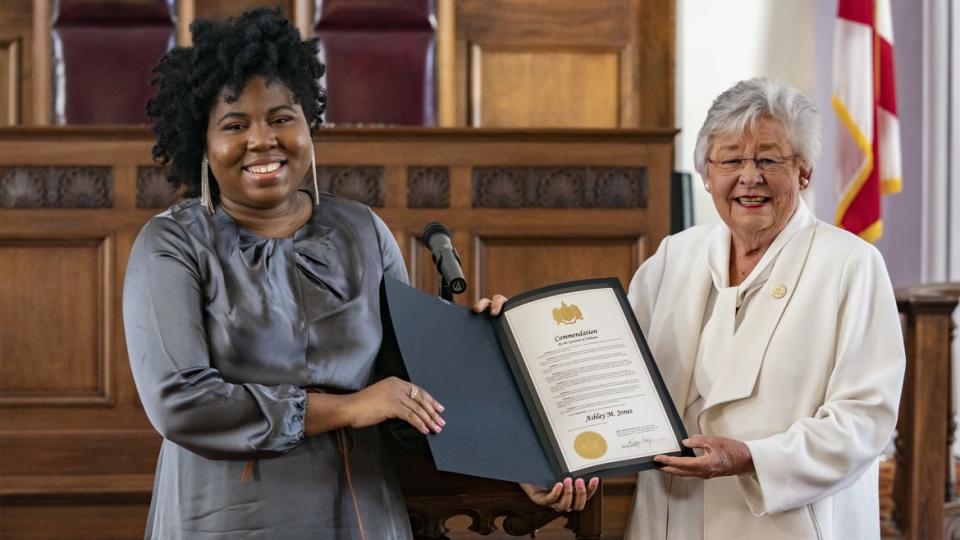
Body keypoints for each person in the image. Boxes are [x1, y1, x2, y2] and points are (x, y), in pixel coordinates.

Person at [476, 77, 905, 539]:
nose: (749, 176)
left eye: (768, 159)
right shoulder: (674, 257)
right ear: (706, 174)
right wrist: (525, 334)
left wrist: (750, 459)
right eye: (731, 160)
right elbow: (608, 375)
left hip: (785, 523)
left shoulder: (850, 265)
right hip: (670, 522)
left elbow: (866, 421)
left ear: (804, 172)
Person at [123, 9, 445, 538]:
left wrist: (482, 346)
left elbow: (410, 383)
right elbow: (181, 403)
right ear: (201, 142)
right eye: (234, 125)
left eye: (281, 117)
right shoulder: (172, 244)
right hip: (228, 515)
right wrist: (348, 408)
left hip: (362, 507)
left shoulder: (363, 231)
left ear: (308, 124)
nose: (262, 140)